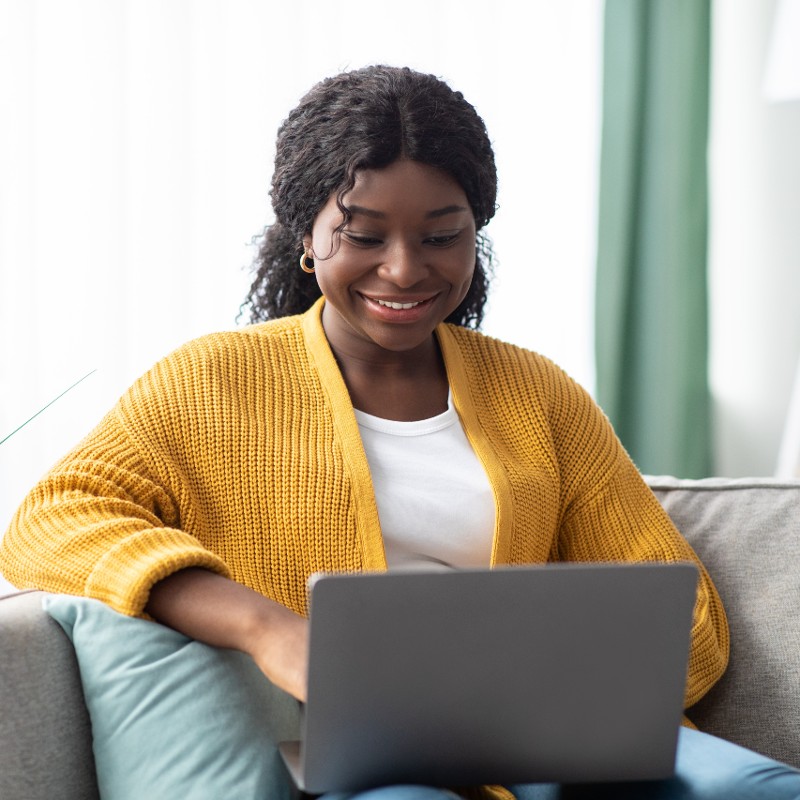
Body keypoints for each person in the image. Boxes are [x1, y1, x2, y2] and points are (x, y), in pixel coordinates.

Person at [1, 65, 798, 800]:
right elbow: (49, 522)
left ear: (474, 235)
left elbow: (687, 620)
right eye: (365, 234)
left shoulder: (539, 392)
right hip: (377, 762)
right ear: (307, 239)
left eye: (442, 235)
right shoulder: (211, 382)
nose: (406, 269)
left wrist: (551, 680)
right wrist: (267, 629)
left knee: (753, 789)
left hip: (568, 747)